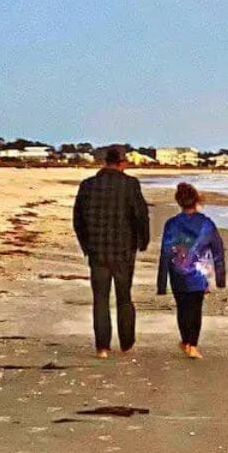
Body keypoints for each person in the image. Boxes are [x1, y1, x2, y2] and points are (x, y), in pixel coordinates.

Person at [72, 146, 151, 358]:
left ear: (105, 162)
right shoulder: (129, 185)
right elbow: (140, 215)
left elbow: (77, 219)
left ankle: (102, 347)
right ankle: (126, 343)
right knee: (124, 297)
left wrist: (86, 245)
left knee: (100, 299)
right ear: (121, 163)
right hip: (123, 250)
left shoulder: (88, 185)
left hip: (97, 251)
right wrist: (143, 241)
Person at [157, 181, 226, 358]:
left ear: (179, 202)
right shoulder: (206, 224)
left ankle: (186, 341)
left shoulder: (171, 223)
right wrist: (220, 277)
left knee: (182, 308)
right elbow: (218, 249)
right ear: (196, 200)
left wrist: (162, 283)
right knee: (195, 308)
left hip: (177, 271)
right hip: (198, 272)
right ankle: (192, 345)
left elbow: (165, 251)